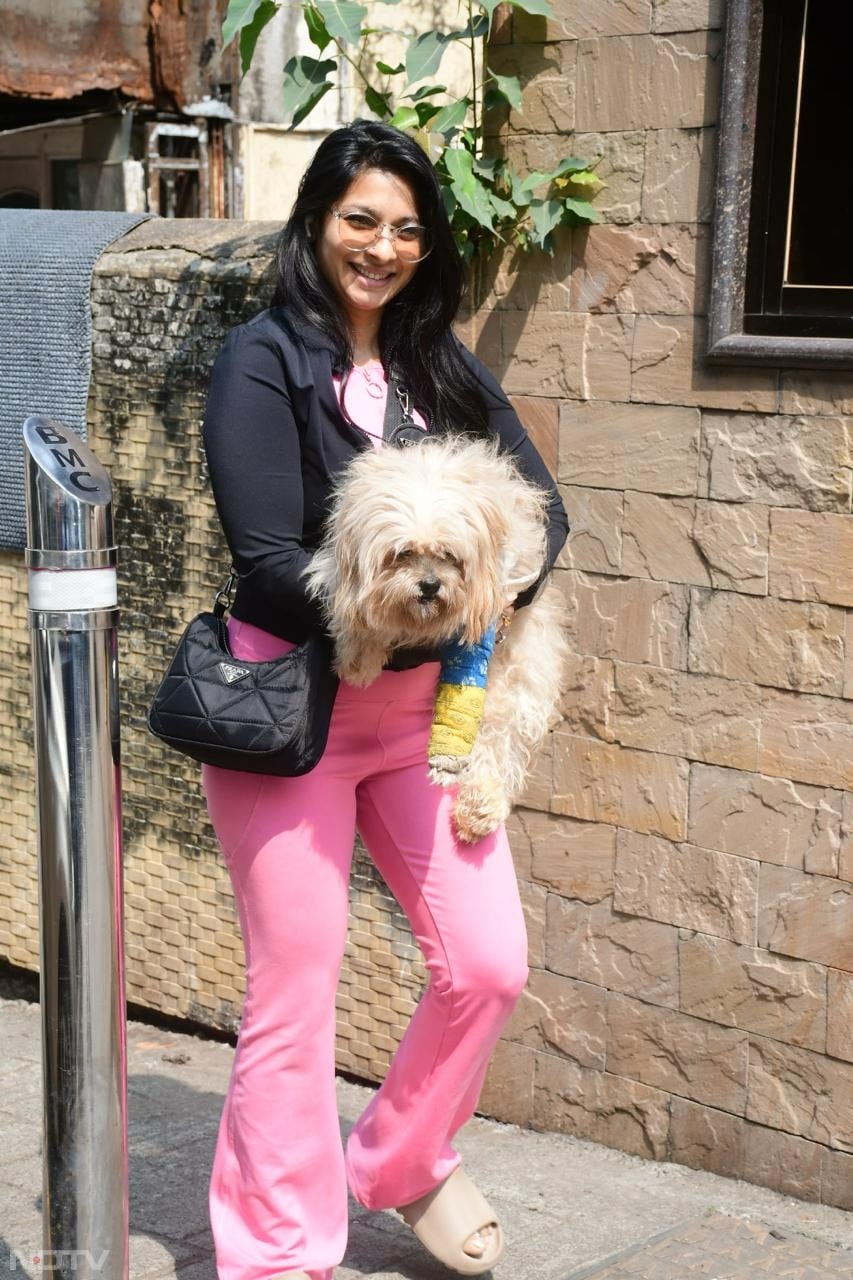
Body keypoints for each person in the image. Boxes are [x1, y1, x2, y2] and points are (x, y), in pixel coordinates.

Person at [201, 119, 569, 1280]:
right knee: (295, 995)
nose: (383, 245)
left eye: (407, 227)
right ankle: (277, 1255)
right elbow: (266, 555)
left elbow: (540, 513)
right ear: (317, 220)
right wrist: (387, 608)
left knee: (489, 960)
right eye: (362, 218)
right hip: (294, 711)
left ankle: (402, 1155)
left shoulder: (437, 364)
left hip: (425, 722)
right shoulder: (261, 357)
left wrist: (479, 594)